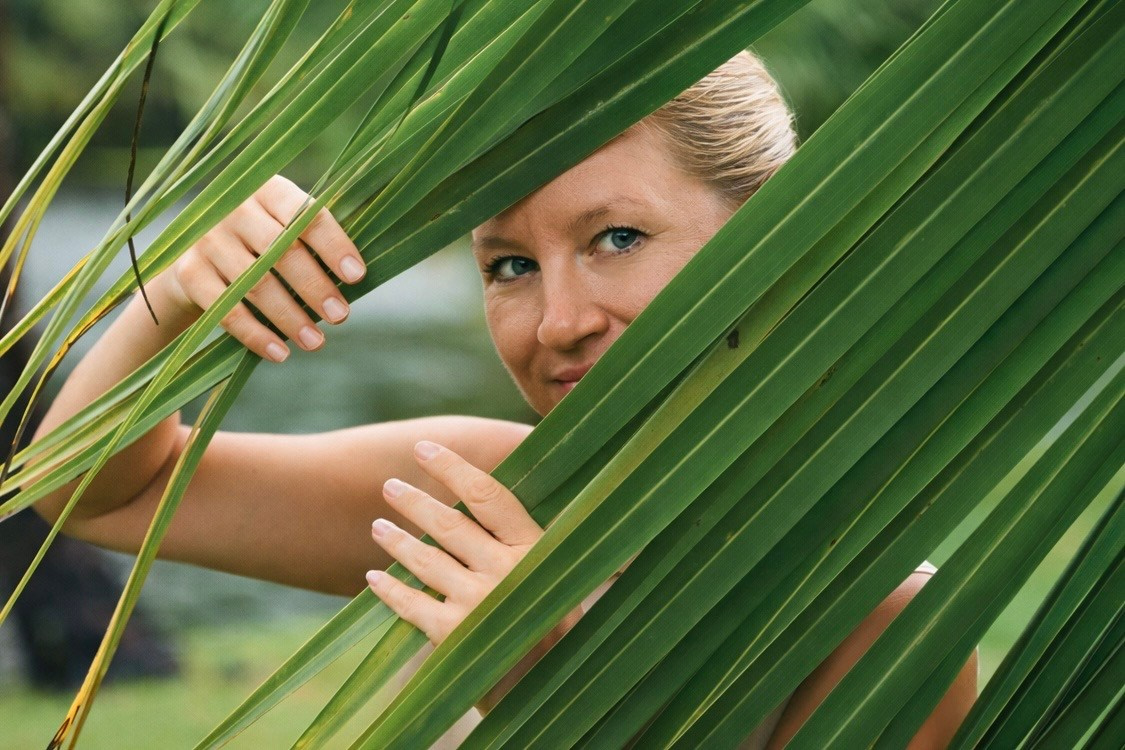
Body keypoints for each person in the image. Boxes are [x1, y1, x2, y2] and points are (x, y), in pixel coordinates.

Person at [30, 51, 977, 747]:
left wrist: (551, 690)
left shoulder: (874, 616)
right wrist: (176, 298)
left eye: (616, 238)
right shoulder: (471, 494)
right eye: (510, 265)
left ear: (772, 233)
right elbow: (94, 494)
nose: (556, 321)